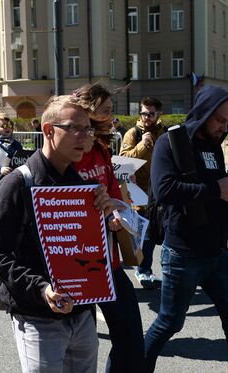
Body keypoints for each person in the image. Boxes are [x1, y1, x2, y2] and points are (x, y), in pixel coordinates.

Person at [0, 95, 116, 373]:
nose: (84, 137)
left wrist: (103, 219)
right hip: (38, 319)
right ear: (48, 130)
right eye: (74, 128)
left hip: (82, 317)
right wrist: (42, 289)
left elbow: (87, 251)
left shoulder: (82, 186)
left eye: (87, 129)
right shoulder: (16, 184)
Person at [145, 85, 228, 372]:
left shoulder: (214, 146)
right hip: (183, 253)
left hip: (218, 253)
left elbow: (211, 193)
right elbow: (164, 190)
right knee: (169, 323)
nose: (224, 127)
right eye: (220, 119)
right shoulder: (170, 142)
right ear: (205, 112)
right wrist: (214, 189)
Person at [73, 83, 145, 372]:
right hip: (78, 264)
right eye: (105, 110)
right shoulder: (68, 155)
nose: (111, 116)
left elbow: (115, 195)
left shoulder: (103, 151)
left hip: (110, 262)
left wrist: (119, 215)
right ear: (87, 113)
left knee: (130, 339)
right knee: (82, 345)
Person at [119, 97, 165, 288]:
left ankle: (150, 269)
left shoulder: (164, 132)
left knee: (157, 234)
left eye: (150, 114)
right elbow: (123, 160)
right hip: (138, 190)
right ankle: (143, 270)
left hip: (160, 189)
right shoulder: (134, 133)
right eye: (143, 113)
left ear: (158, 114)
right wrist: (142, 144)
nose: (146, 117)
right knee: (145, 234)